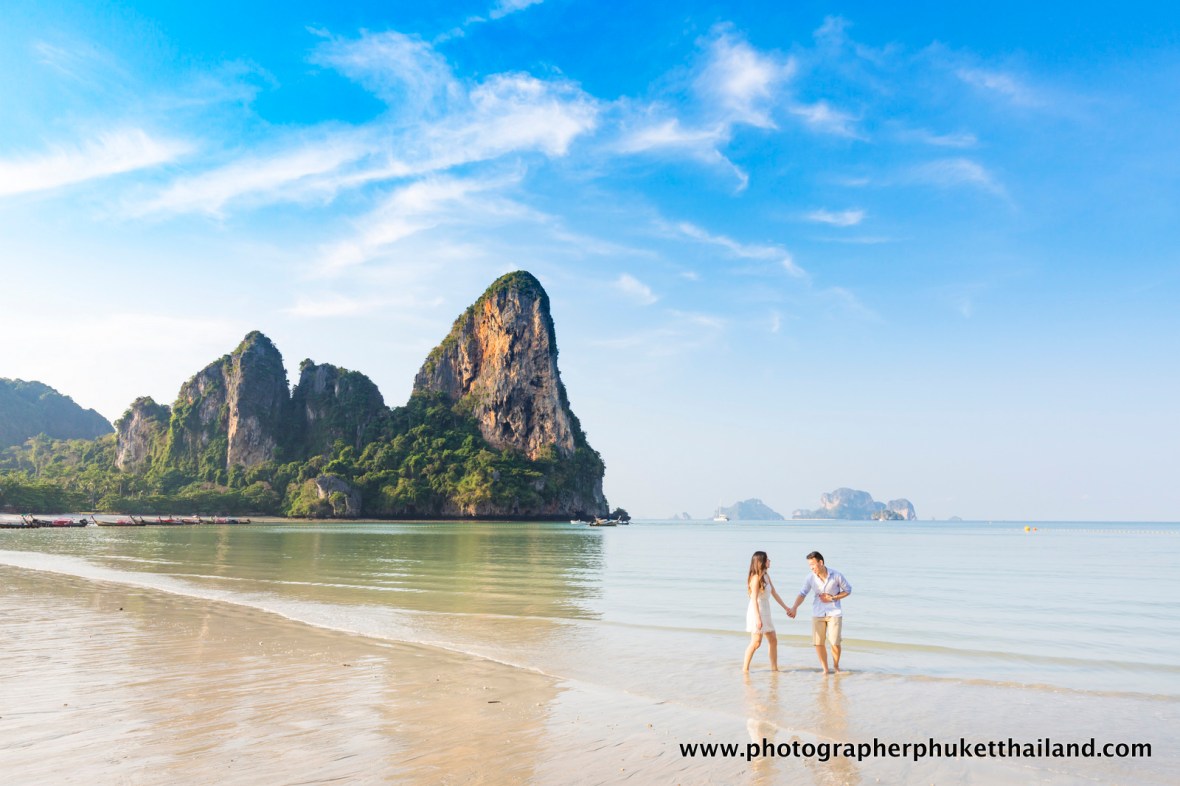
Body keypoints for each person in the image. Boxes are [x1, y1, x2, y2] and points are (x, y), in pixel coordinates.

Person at [789, 551, 852, 674]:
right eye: (809, 565)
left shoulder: (836, 575)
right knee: (818, 643)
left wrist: (833, 598)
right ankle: (825, 669)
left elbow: (848, 590)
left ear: (821, 562)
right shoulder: (810, 577)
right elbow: (802, 594)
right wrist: (794, 607)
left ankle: (836, 666)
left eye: (813, 564)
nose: (811, 568)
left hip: (834, 612)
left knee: (835, 642)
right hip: (817, 612)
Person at [742, 551, 794, 672]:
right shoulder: (755, 578)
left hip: (766, 609)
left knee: (773, 640)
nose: (770, 561)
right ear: (762, 562)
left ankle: (774, 669)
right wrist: (758, 618)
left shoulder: (766, 575)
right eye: (767, 559)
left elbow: (774, 593)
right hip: (757, 611)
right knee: (756, 642)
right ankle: (745, 669)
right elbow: (754, 599)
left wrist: (786, 608)